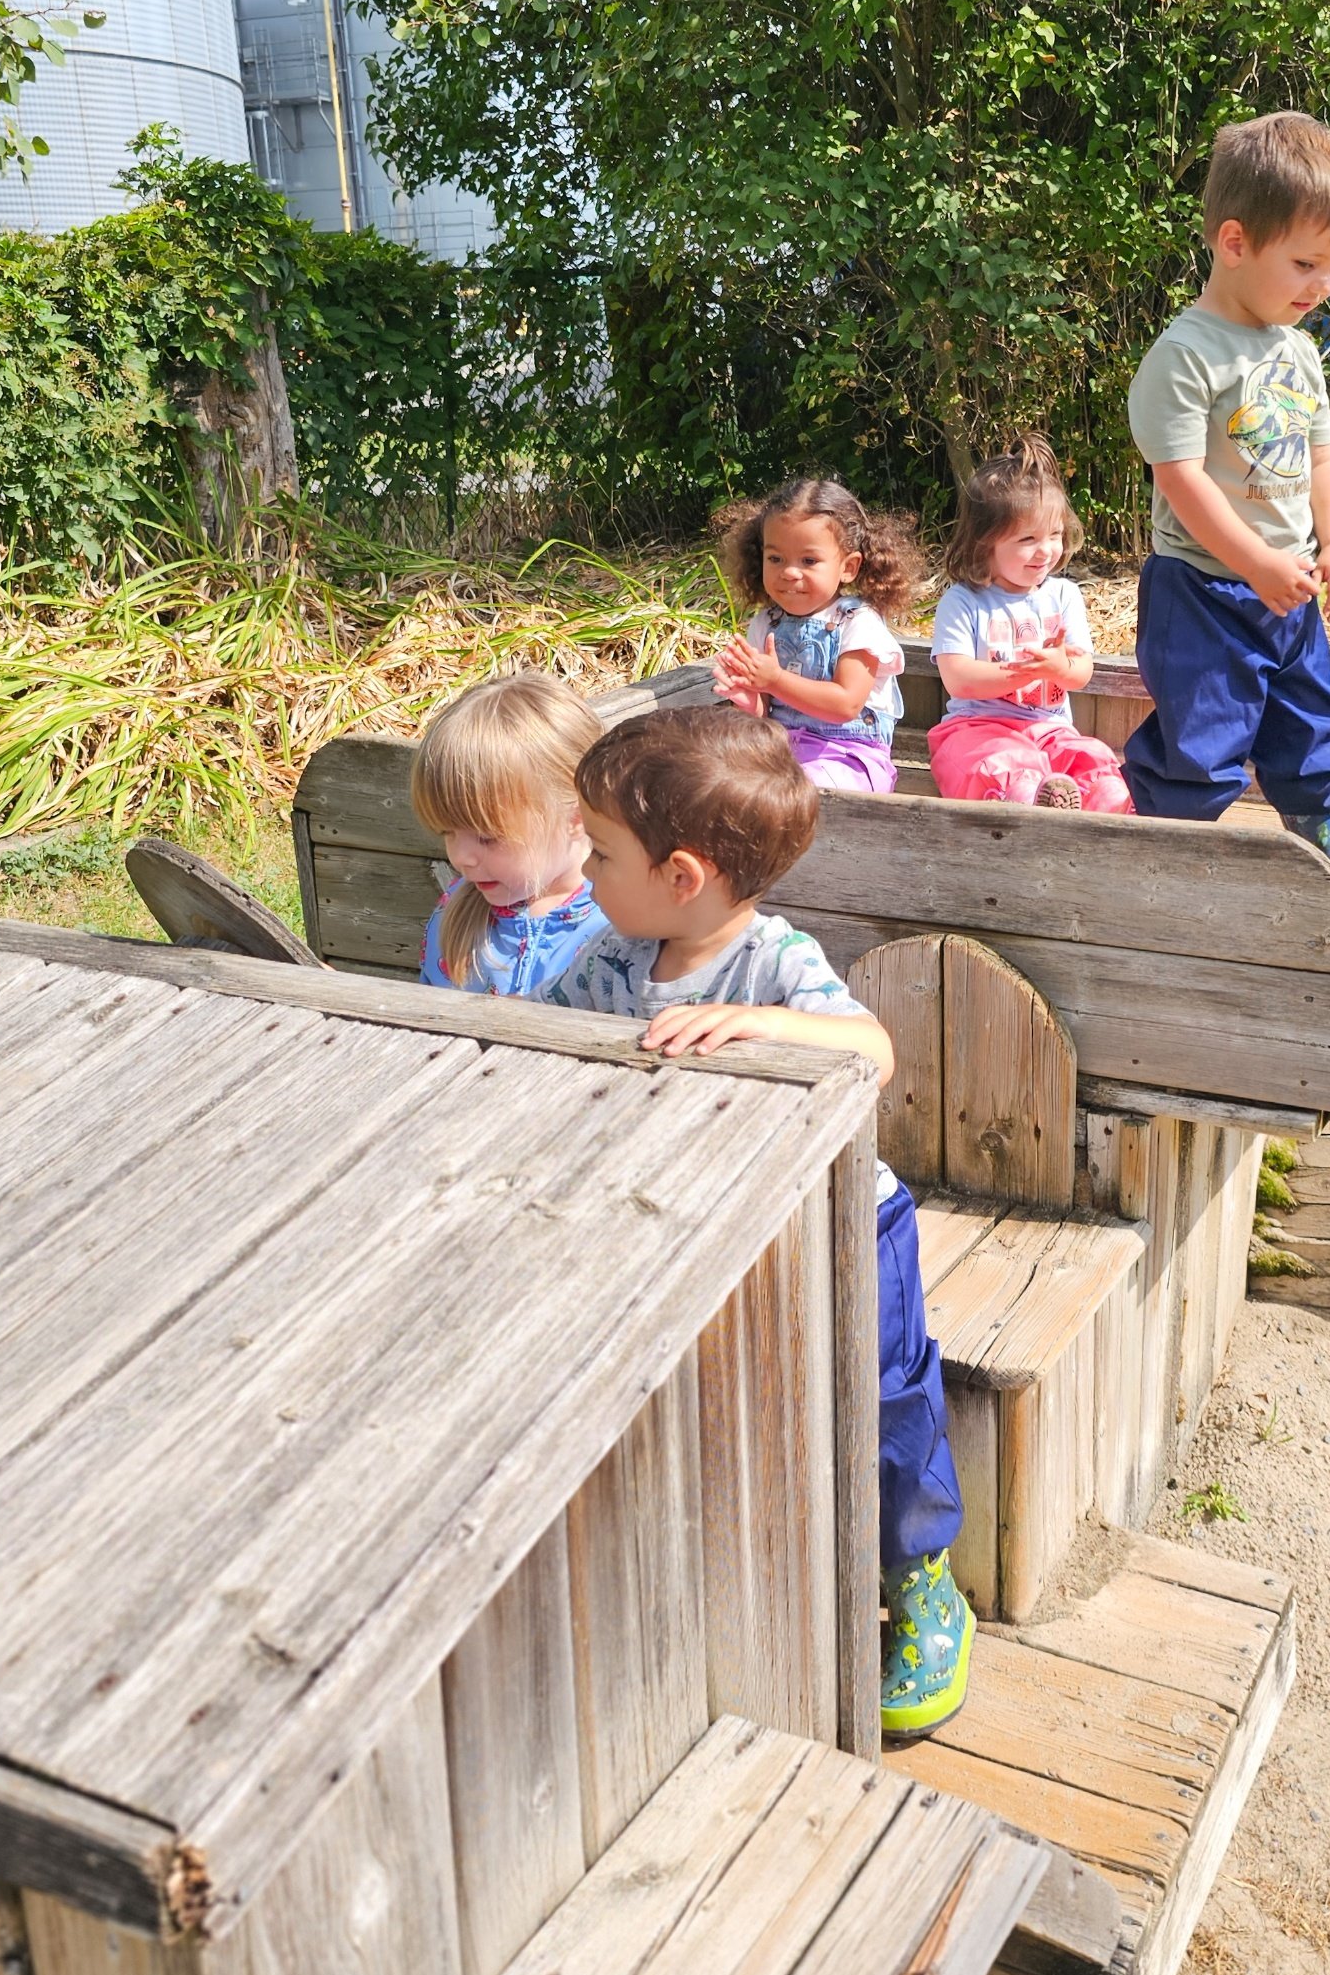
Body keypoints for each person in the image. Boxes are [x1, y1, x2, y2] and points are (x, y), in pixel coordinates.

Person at [537, 701, 972, 1742]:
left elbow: (873, 1052)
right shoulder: (609, 959)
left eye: (600, 853)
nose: (583, 871)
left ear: (680, 876)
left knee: (884, 1397)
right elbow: (538, 1037)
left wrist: (766, 1025)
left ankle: (921, 1578)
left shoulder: (774, 962)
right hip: (696, 1226)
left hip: (843, 1225)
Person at [1122, 111, 1330, 865]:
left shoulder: (1298, 351)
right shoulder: (1186, 355)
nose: (1324, 285)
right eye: (1306, 263)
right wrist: (1254, 562)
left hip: (1287, 587)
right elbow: (1182, 480)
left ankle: (1321, 832)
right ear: (1234, 243)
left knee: (1312, 720)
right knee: (1202, 734)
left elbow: (1322, 458)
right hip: (1203, 590)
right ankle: (1173, 856)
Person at [927, 435, 1134, 812]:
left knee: (1091, 755)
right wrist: (1024, 672)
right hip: (977, 728)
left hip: (1051, 729)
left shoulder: (1063, 595)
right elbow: (958, 679)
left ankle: (1105, 799)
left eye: (1054, 535)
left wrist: (1059, 668)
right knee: (990, 764)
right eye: (1028, 539)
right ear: (984, 543)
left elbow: (1081, 672)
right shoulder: (963, 601)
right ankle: (1024, 796)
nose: (1046, 550)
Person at [710, 477, 923, 794]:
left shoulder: (858, 622)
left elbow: (846, 704)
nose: (788, 572)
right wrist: (749, 702)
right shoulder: (765, 623)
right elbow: (764, 717)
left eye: (809, 561)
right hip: (780, 753)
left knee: (799, 789)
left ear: (848, 567)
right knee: (714, 777)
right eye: (775, 559)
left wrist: (774, 680)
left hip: (849, 757)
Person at [411, 671, 607, 994]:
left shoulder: (622, 929)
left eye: (488, 837)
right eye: (448, 832)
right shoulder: (456, 915)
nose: (461, 858)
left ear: (577, 817)